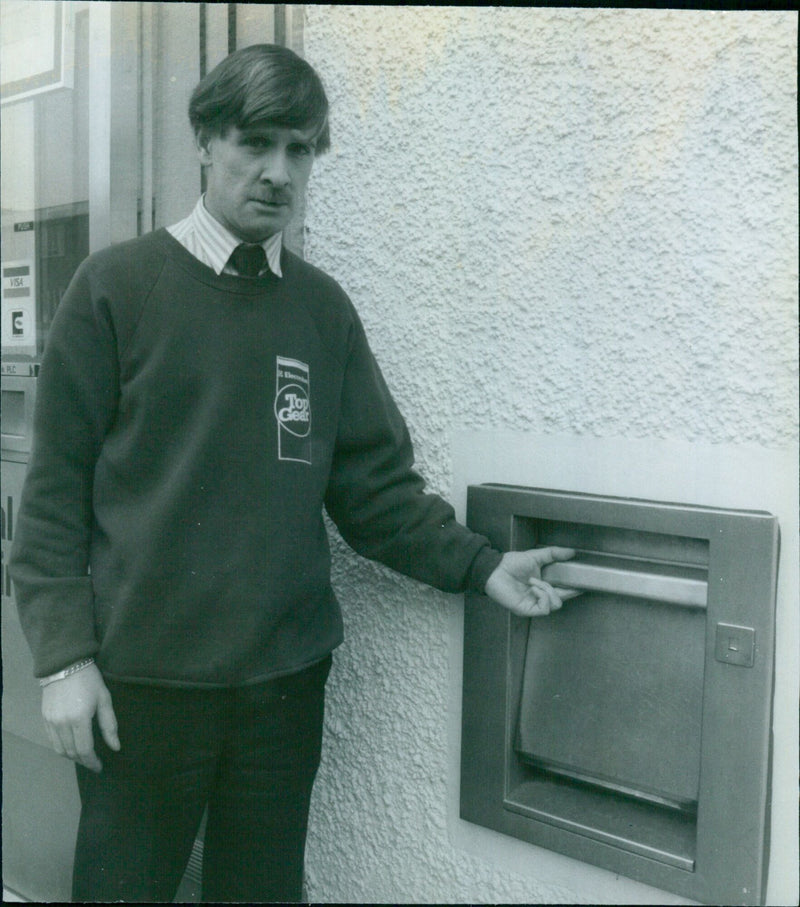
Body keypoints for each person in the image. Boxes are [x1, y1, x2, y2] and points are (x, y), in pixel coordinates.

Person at [9, 44, 575, 903]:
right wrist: (62, 663)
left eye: (300, 150)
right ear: (206, 140)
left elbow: (374, 491)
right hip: (143, 687)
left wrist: (481, 564)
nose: (277, 172)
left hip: (281, 687)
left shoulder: (320, 310)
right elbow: (50, 502)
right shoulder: (114, 289)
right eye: (255, 143)